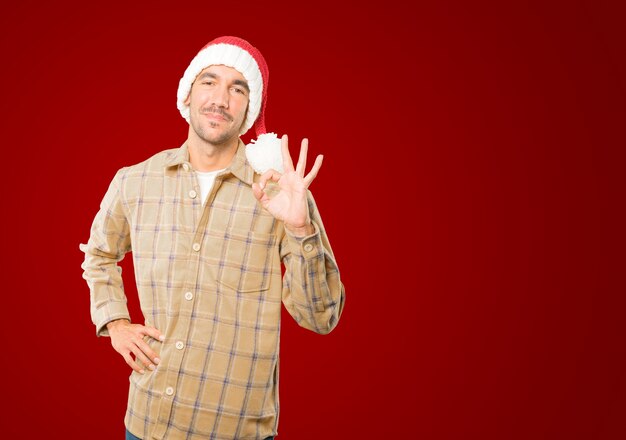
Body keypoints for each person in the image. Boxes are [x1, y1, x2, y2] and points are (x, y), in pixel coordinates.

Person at [80, 36, 345, 440]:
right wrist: (114, 321)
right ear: (187, 95)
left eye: (237, 88)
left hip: (236, 429)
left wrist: (300, 227)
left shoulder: (279, 193)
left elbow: (321, 318)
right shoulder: (135, 181)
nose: (221, 98)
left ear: (249, 108)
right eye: (209, 81)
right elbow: (98, 254)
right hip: (147, 422)